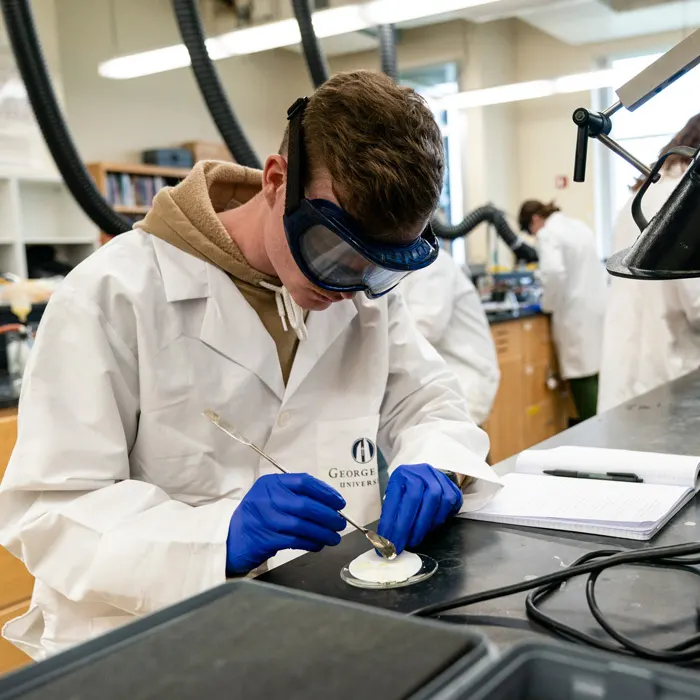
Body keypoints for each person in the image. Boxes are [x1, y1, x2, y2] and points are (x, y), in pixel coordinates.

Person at [0, 71, 501, 659]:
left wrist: (434, 460)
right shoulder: (114, 293)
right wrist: (219, 536)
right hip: (152, 646)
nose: (351, 289)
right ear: (276, 180)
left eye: (379, 269)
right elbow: (51, 511)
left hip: (322, 616)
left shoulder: (359, 296)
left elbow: (428, 401)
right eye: (334, 252)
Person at [598, 114, 700, 413]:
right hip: (671, 376)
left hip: (626, 370)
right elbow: (696, 303)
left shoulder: (640, 196)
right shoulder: (688, 201)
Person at [518, 200, 607, 421]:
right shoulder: (578, 226)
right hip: (597, 307)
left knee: (580, 375)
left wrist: (548, 304)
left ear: (535, 220)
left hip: (573, 312)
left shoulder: (548, 234)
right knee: (595, 372)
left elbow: (554, 273)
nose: (534, 235)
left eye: (531, 230)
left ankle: (594, 436)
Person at [401, 249, 499, 425]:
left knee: (454, 445)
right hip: (435, 380)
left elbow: (425, 329)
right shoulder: (402, 265)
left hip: (462, 378)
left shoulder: (432, 263)